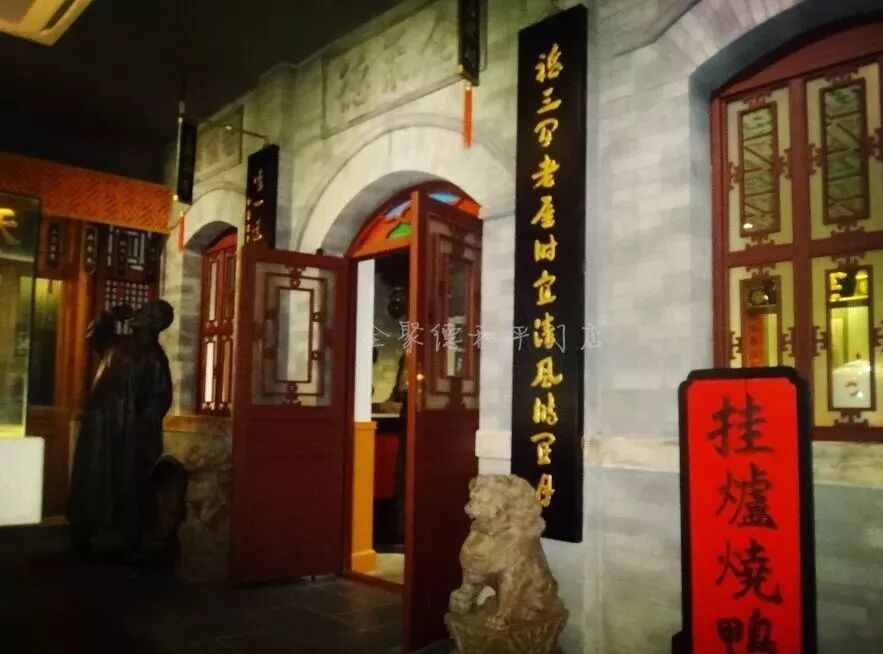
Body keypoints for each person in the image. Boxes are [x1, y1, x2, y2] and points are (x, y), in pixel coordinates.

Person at [67, 311, 132, 555]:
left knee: (101, 480)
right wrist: (109, 315)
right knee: (91, 478)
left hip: (111, 427)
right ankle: (85, 529)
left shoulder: (123, 354)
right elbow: (93, 335)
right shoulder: (111, 353)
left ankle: (98, 531)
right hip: (99, 424)